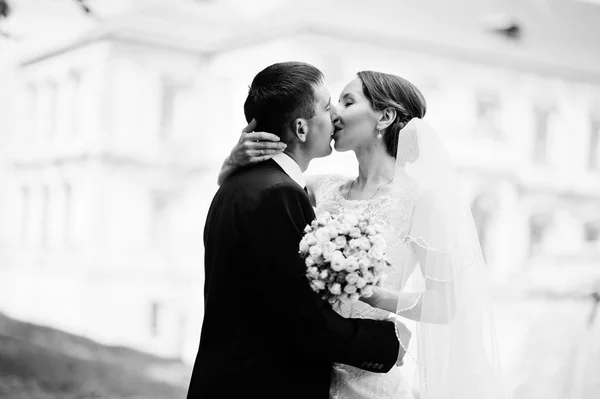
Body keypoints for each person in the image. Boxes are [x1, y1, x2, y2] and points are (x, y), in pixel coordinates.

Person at [220, 70, 505, 399]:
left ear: (384, 116)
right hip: (304, 374)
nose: (335, 113)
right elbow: (260, 194)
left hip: (369, 380)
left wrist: (368, 291)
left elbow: (443, 306)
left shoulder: (419, 200)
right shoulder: (317, 188)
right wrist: (233, 160)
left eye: (347, 101)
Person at [186, 62, 412, 399]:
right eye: (328, 106)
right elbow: (298, 318)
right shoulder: (280, 194)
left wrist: (230, 164)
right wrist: (386, 344)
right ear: (302, 129)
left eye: (345, 104)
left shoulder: (241, 183)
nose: (336, 115)